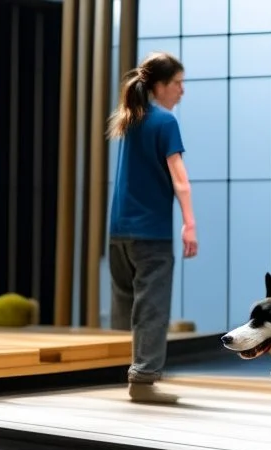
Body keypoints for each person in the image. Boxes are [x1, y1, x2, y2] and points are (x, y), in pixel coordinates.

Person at [106, 51, 198, 404]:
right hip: (151, 233)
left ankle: (120, 373)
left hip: (119, 231)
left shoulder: (129, 118)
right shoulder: (164, 121)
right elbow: (181, 180)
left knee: (125, 305)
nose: (182, 90)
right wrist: (189, 224)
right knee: (152, 309)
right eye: (177, 83)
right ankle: (142, 380)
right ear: (160, 86)